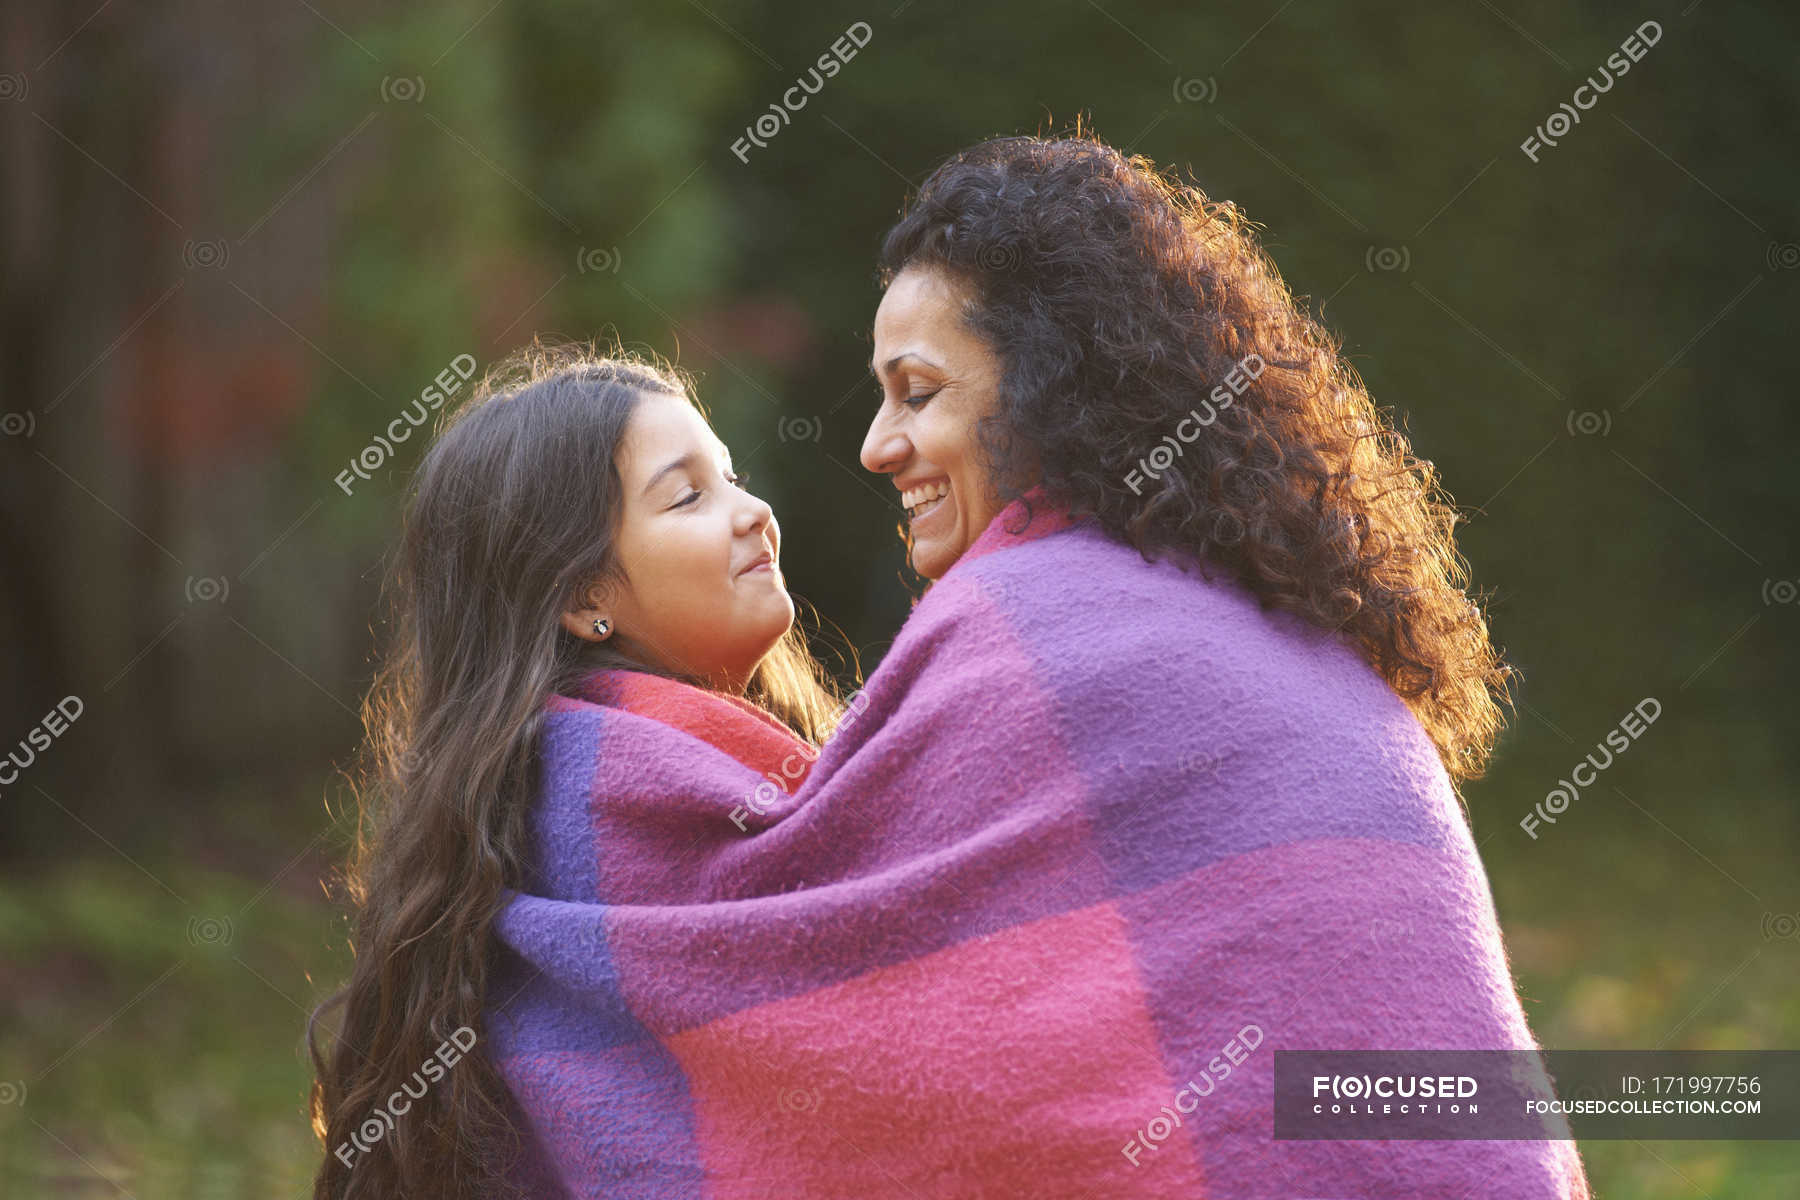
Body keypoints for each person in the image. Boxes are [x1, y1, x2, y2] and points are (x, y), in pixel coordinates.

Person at [306, 344, 847, 1200]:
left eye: (735, 478)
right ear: (584, 597)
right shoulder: (609, 798)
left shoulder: (720, 766)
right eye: (690, 497)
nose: (754, 512)